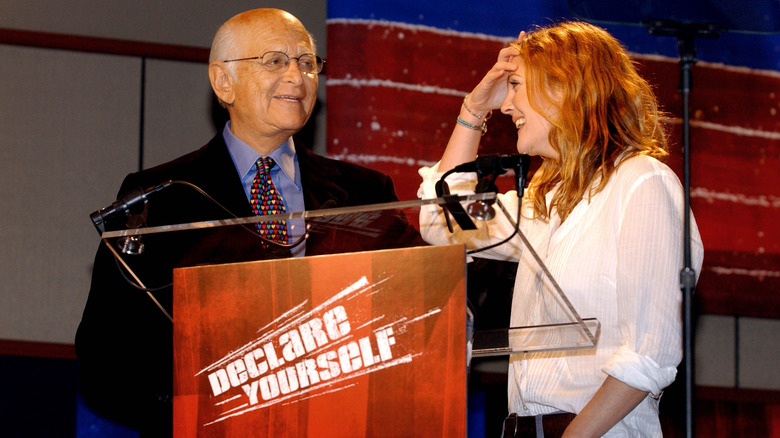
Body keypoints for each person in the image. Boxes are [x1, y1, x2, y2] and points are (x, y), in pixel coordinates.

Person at [76, 8, 421, 437]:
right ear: (223, 81)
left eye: (308, 63)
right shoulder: (163, 196)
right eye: (275, 61)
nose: (298, 77)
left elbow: (422, 307)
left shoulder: (363, 191)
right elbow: (105, 351)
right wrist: (196, 412)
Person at [418, 21, 704, 437]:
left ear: (562, 86)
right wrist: (472, 111)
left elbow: (651, 352)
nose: (507, 105)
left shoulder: (642, 182)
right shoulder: (542, 201)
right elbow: (441, 222)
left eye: (516, 86)